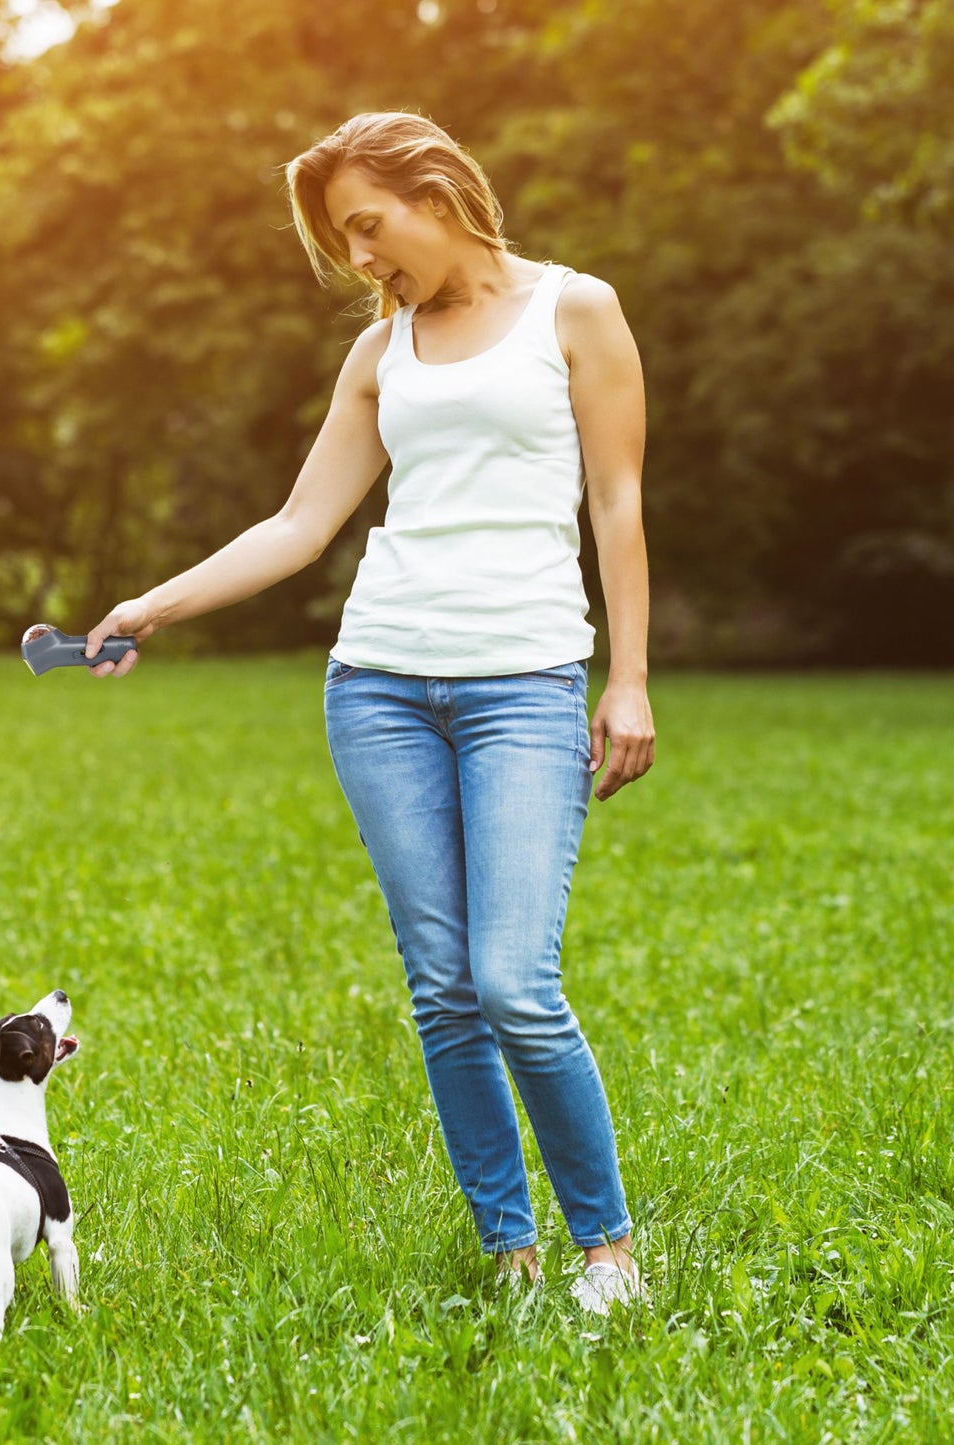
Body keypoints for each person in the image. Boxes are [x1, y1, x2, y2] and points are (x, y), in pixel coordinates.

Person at [80, 111, 654, 1313]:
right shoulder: (379, 350)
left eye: (365, 225)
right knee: (442, 988)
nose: (359, 258)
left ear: (434, 191)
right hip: (379, 682)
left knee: (512, 981)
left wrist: (629, 675)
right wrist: (153, 603)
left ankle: (605, 1247)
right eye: (340, 241)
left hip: (523, 681)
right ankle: (512, 1248)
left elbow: (615, 499)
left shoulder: (574, 309)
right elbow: (300, 525)